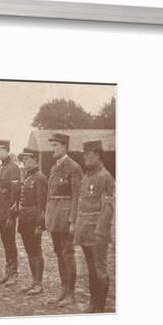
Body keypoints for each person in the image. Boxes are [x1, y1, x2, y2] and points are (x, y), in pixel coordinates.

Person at [74, 140, 115, 313]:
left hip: (97, 232)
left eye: (88, 154)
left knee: (99, 268)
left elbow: (108, 207)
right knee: (91, 268)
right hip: (85, 230)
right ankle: (93, 302)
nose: (85, 157)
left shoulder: (104, 176)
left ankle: (100, 306)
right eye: (84, 154)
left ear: (98, 155)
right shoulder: (88, 175)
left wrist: (100, 231)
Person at [45, 133, 83, 306]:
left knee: (67, 254)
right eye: (51, 145)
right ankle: (63, 288)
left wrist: (73, 221)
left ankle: (71, 293)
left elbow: (76, 196)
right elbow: (49, 195)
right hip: (54, 217)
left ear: (64, 147)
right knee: (59, 253)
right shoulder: (53, 168)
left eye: (55, 145)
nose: (52, 149)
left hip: (66, 218)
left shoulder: (73, 167)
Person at [17, 148, 48, 295]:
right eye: (23, 159)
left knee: (36, 251)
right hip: (24, 218)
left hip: (33, 219)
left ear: (35, 159)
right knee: (30, 251)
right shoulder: (28, 177)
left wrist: (39, 225)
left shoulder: (40, 178)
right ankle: (33, 281)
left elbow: (42, 204)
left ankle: (38, 283)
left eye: (27, 159)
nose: (24, 161)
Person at [0, 139, 21, 286]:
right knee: (5, 241)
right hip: (0, 210)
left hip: (9, 210)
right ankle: (8, 271)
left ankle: (14, 273)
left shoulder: (13, 167)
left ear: (7, 150)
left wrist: (12, 213)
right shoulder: (0, 168)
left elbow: (15, 192)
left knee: (10, 242)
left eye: (0, 150)